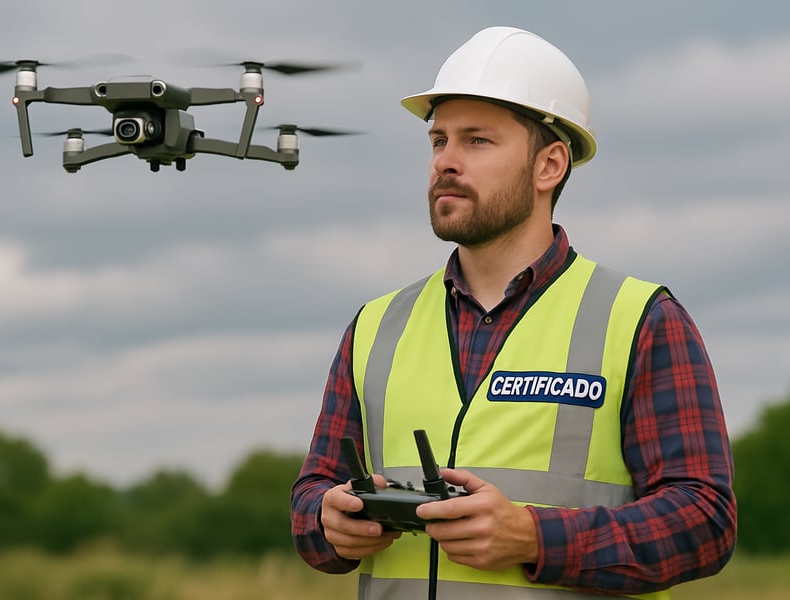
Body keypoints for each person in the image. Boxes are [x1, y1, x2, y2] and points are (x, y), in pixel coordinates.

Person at [290, 26, 737, 599]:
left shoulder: (643, 320)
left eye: (477, 141)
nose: (445, 162)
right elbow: (311, 499)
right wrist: (327, 522)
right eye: (438, 141)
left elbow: (704, 522)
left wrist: (533, 537)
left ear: (549, 165)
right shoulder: (376, 327)